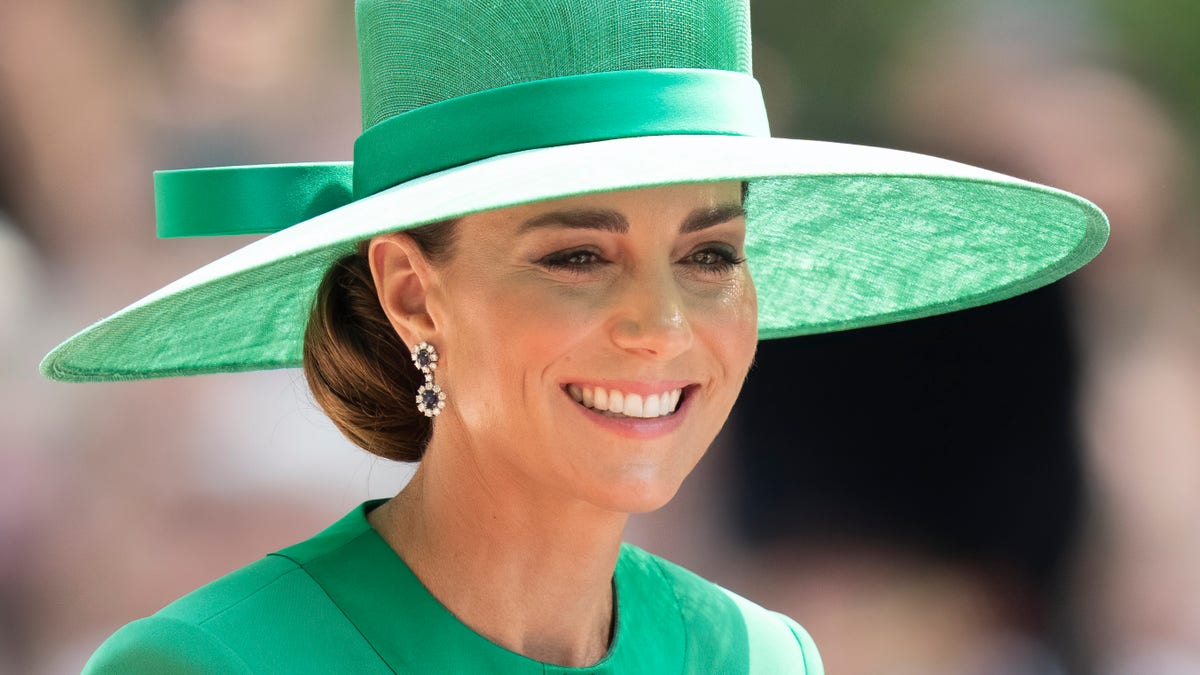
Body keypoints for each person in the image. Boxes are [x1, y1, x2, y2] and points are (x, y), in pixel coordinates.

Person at [40, 0, 1107, 672]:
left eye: (709, 255)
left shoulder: (761, 657)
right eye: (577, 257)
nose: (661, 327)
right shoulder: (213, 663)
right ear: (414, 297)